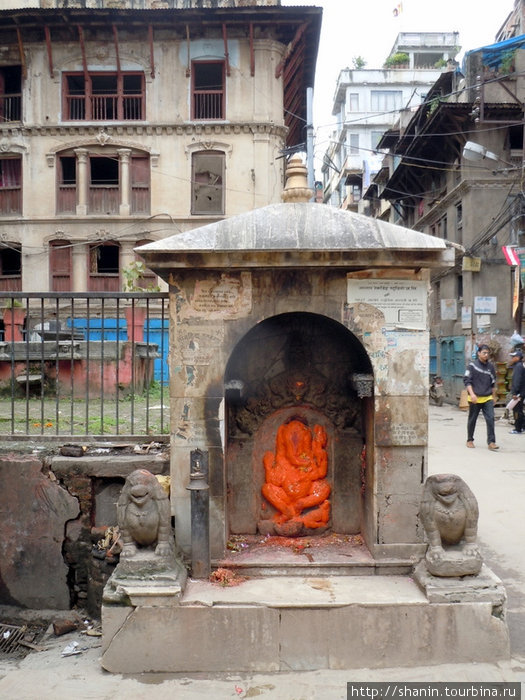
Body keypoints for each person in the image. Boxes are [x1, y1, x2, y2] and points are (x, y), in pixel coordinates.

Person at [463, 344, 499, 450]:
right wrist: (472, 394)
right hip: (475, 398)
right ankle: (470, 440)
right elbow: (467, 381)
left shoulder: (490, 367)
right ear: (478, 353)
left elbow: (493, 383)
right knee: (472, 419)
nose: (486, 355)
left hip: (487, 397)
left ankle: (491, 442)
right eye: (484, 353)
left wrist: (493, 396)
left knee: (490, 418)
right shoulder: (472, 366)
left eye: (488, 353)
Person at [508, 349, 525, 434]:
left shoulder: (518, 367)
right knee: (520, 410)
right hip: (521, 392)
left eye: (513, 357)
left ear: (518, 357)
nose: (512, 358)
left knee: (517, 411)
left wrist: (515, 393)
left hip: (518, 393)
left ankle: (518, 428)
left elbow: (517, 381)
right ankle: (523, 426)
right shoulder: (520, 366)